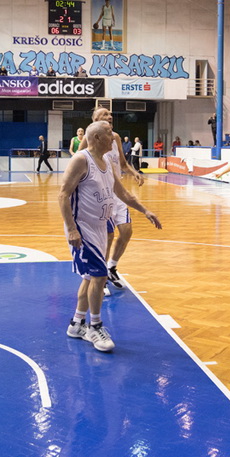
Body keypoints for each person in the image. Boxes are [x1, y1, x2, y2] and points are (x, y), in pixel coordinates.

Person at [59, 121, 161, 352]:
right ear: (96, 138)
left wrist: (145, 210)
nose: (113, 135)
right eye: (108, 132)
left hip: (100, 226)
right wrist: (72, 228)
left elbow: (122, 193)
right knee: (98, 276)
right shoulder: (81, 160)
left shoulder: (105, 162)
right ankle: (95, 326)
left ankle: (76, 324)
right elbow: (63, 195)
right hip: (83, 228)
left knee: (89, 277)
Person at [91, 106, 146, 294]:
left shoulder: (114, 138)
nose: (109, 116)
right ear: (95, 120)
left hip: (118, 192)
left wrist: (134, 172)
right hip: (101, 194)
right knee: (107, 236)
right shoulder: (89, 139)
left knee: (126, 231)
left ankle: (111, 267)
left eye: (110, 114)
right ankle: (101, 278)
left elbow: (122, 163)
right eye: (104, 114)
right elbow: (80, 160)